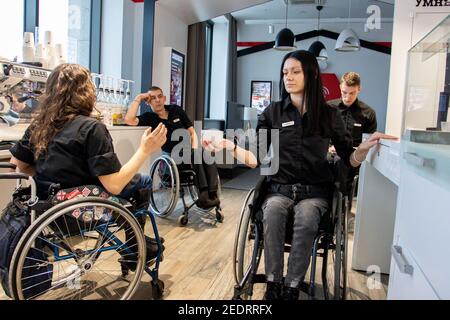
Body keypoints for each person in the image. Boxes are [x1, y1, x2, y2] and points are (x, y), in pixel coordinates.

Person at [204, 50, 396, 300]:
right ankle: (273, 286)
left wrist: (365, 147)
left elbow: (348, 159)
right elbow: (257, 159)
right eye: (285, 72)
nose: (288, 77)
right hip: (279, 189)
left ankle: (292, 287)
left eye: (295, 71)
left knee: (306, 218)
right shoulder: (272, 113)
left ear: (311, 74)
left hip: (315, 193)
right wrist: (229, 146)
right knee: (272, 212)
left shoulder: (329, 115)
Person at [9, 63, 168, 263]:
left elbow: (19, 166)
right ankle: (135, 244)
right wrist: (145, 149)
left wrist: (53, 178)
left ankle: (137, 242)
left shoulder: (39, 125)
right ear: (87, 92)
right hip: (82, 211)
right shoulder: (92, 128)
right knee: (143, 182)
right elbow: (115, 185)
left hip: (47, 209)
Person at [125, 86, 220, 209]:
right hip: (172, 158)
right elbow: (129, 119)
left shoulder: (176, 110)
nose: (157, 100)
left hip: (189, 153)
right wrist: (138, 98)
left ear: (164, 98)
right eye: (153, 98)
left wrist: (195, 149)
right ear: (148, 102)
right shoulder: (150, 118)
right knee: (196, 154)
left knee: (207, 153)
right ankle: (204, 193)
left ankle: (212, 193)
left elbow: (192, 132)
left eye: (159, 96)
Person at [329, 72, 378, 194]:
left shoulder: (368, 113)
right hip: (329, 156)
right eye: (344, 92)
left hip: (354, 159)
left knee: (342, 163)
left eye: (352, 93)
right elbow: (318, 135)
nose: (347, 97)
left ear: (359, 89)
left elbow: (369, 144)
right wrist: (328, 147)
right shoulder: (328, 108)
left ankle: (342, 205)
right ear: (340, 87)